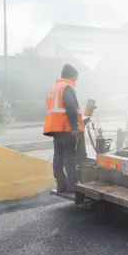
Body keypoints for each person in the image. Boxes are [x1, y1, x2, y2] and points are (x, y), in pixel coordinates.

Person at [42, 64, 86, 196]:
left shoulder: (54, 88)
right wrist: (75, 126)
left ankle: (61, 185)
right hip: (66, 127)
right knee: (70, 155)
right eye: (76, 79)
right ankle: (72, 186)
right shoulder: (67, 87)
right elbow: (71, 107)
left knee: (58, 155)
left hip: (55, 127)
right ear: (71, 77)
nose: (76, 82)